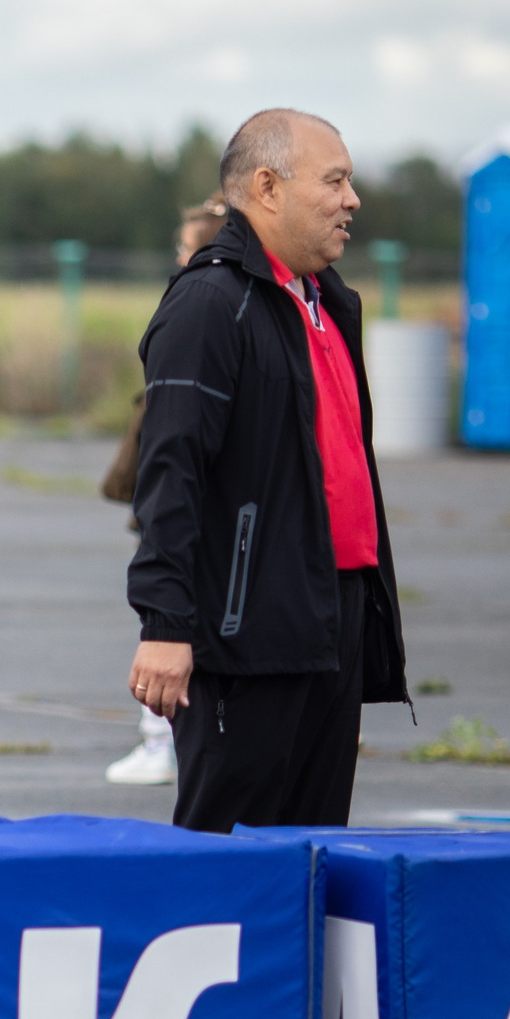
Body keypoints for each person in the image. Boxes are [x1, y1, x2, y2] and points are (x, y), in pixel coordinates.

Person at [126, 109, 409, 832]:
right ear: (267, 186)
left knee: (314, 854)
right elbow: (170, 475)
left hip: (330, 620)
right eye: (335, 180)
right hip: (245, 634)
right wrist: (164, 624)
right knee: (231, 863)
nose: (352, 200)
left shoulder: (327, 302)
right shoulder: (212, 303)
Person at [99, 193, 227, 787]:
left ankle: (159, 739)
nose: (177, 257)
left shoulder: (197, 303)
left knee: (168, 615)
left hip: (180, 509)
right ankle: (161, 738)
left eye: (183, 247)